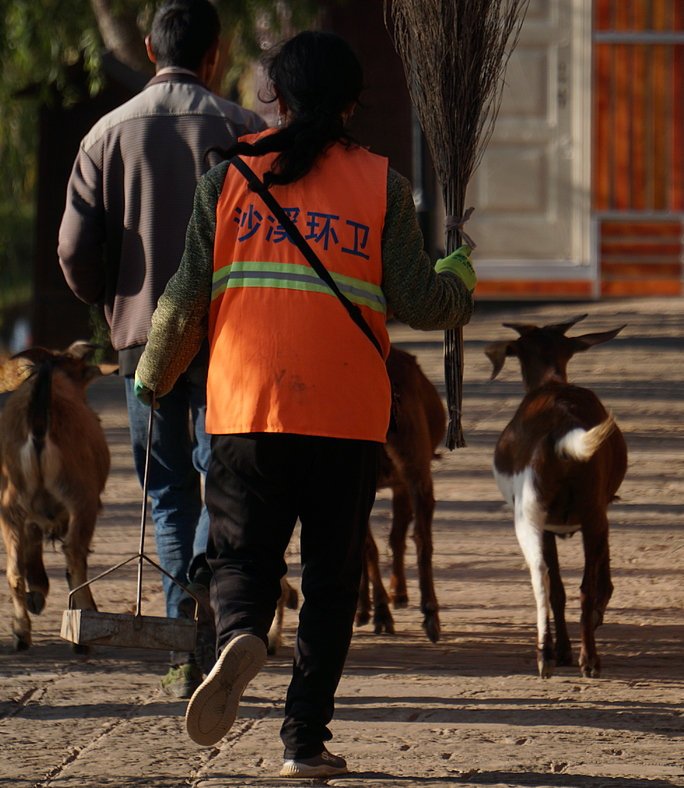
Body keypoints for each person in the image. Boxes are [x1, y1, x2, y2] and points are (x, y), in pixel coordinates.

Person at [135, 30, 476, 779]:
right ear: (353, 104)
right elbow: (422, 302)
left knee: (240, 556)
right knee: (330, 578)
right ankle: (303, 742)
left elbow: (185, 300)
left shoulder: (226, 181)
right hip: (348, 416)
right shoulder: (381, 184)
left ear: (276, 100)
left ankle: (243, 633)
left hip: (246, 408)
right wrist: (461, 276)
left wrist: (151, 378)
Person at [57, 0, 266, 699]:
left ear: (149, 49)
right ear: (217, 53)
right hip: (229, 338)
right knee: (223, 479)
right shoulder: (247, 131)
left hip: (141, 340)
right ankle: (210, 592)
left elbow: (72, 249)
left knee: (168, 489)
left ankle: (183, 647)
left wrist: (112, 299)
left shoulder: (103, 135)